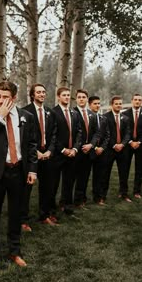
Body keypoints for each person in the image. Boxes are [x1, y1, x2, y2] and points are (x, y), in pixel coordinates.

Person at [0, 81, 37, 268]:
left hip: (18, 171)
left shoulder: (26, 116)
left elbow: (31, 145)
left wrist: (32, 170)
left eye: (5, 97)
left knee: (15, 214)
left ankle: (15, 251)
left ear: (14, 98)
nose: (1, 100)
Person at [21, 83, 57, 230]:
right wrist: (36, 152)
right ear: (32, 95)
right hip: (32, 156)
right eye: (39, 92)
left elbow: (54, 134)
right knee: (26, 188)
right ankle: (23, 220)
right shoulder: (24, 112)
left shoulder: (50, 112)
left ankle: (44, 215)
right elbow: (24, 136)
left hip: (47, 155)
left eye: (43, 92)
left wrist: (49, 151)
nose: (42, 94)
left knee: (47, 187)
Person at [51, 87, 82, 216]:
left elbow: (79, 132)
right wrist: (63, 150)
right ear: (58, 97)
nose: (67, 97)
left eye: (68, 95)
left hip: (72, 154)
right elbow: (52, 135)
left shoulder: (74, 113)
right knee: (54, 183)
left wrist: (75, 148)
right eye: (64, 95)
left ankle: (66, 205)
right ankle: (51, 208)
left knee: (69, 182)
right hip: (58, 154)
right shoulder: (53, 112)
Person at [102, 96, 131, 202]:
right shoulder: (105, 117)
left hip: (123, 150)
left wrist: (122, 144)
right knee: (106, 173)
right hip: (110, 150)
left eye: (120, 103)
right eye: (116, 103)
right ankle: (103, 195)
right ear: (112, 105)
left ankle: (124, 194)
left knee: (124, 173)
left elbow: (128, 134)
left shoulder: (125, 118)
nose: (119, 105)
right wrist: (114, 145)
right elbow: (105, 134)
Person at [73, 89, 99, 207]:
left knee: (84, 176)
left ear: (86, 99)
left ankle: (80, 199)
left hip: (88, 151)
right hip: (76, 150)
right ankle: (67, 200)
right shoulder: (72, 113)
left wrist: (91, 145)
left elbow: (96, 133)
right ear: (76, 99)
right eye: (79, 97)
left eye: (84, 97)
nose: (81, 99)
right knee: (72, 178)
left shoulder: (92, 114)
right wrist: (77, 147)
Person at [88, 96, 110, 205]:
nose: (97, 105)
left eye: (98, 103)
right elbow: (88, 135)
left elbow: (107, 135)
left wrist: (102, 147)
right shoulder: (87, 117)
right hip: (90, 151)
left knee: (99, 176)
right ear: (90, 105)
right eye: (95, 103)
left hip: (101, 152)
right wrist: (95, 147)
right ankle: (80, 199)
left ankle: (98, 197)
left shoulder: (103, 118)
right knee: (84, 176)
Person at [122, 94, 142, 198]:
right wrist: (130, 141)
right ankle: (123, 191)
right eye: (135, 100)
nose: (137, 102)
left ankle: (137, 191)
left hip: (141, 145)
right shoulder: (125, 114)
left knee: (140, 169)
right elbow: (124, 130)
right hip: (128, 144)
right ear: (132, 101)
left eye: (139, 100)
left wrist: (139, 142)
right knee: (124, 168)